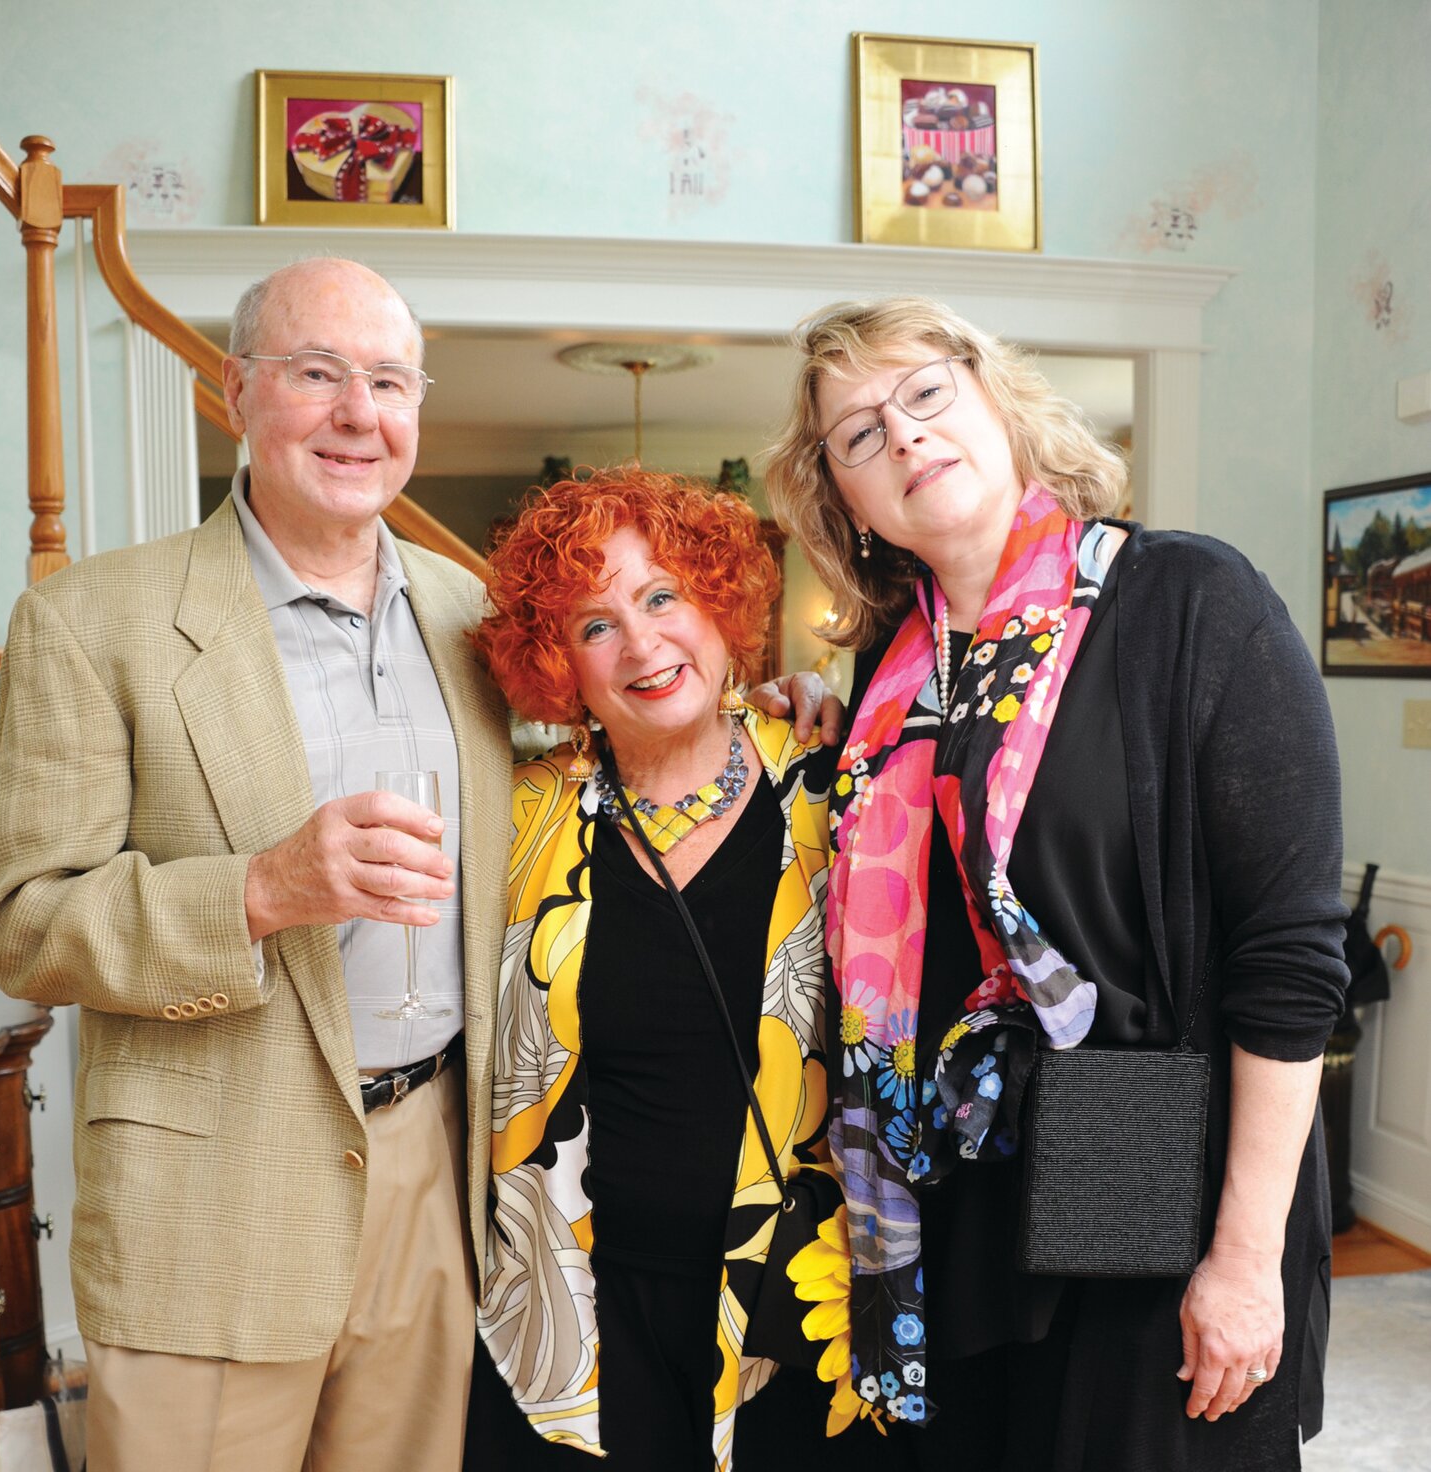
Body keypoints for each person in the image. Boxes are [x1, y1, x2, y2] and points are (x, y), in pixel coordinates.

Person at [763, 297, 1349, 1469]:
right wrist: (807, 742)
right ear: (851, 504)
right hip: (947, 1175)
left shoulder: (1185, 600)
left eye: (924, 393)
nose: (906, 435)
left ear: (995, 397)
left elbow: (1288, 956)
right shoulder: (889, 675)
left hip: (1136, 1132)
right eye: (860, 435)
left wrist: (1244, 1256)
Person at [0, 258, 511, 1472]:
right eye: (316, 373)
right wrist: (262, 889)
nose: (357, 414)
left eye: (387, 381)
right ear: (235, 392)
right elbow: (22, 924)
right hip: (211, 1195)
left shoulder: (472, 613)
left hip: (434, 1168)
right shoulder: (91, 619)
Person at [466, 468, 849, 1471]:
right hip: (576, 1310)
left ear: (721, 604)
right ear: (560, 664)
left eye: (662, 596)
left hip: (788, 1302)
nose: (640, 644)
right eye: (593, 624)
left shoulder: (834, 789)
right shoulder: (514, 817)